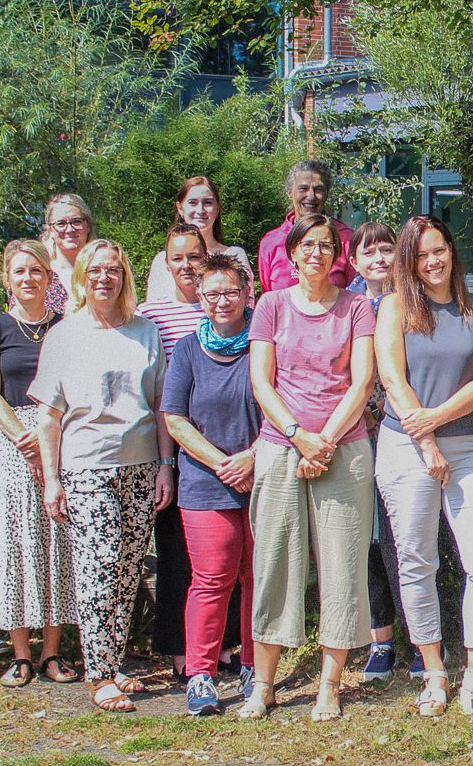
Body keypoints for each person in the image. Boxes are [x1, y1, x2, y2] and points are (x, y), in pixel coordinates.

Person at [375, 216, 473, 718]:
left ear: (452, 251)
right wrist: (426, 439)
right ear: (409, 262)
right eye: (421, 255)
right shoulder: (394, 307)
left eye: (439, 250)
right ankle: (434, 672)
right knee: (418, 561)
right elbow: (392, 379)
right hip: (406, 446)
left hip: (467, 446)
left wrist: (435, 421)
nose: (433, 261)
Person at [243, 214, 377, 720]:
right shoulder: (271, 305)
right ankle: (264, 685)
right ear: (293, 253)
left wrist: (324, 443)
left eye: (326, 245)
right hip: (282, 447)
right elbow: (262, 381)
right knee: (274, 562)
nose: (317, 253)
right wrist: (299, 437)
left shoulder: (356, 307)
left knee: (342, 565)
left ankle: (329, 686)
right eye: (308, 245)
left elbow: (362, 382)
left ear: (337, 256)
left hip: (344, 449)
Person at [33, 239, 173, 714]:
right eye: (95, 270)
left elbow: (160, 406)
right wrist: (52, 479)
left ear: (124, 277)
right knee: (100, 565)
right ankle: (98, 675)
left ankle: (113, 664)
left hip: (141, 465)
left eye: (113, 270)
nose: (104, 278)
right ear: (82, 278)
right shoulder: (64, 336)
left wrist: (166, 466)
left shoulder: (145, 332)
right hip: (87, 466)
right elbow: (49, 416)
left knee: (129, 569)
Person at [0, 240, 78, 687]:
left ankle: (52, 652)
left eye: (36, 271)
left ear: (49, 278)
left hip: (59, 435)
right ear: (7, 279)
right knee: (17, 542)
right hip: (11, 441)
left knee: (56, 540)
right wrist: (23, 436)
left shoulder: (65, 327)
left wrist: (46, 436)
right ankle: (20, 655)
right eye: (19, 271)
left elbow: (74, 385)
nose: (28, 278)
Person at [161, 255, 263, 717]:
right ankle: (201, 674)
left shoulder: (264, 342)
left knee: (258, 577)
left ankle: (254, 666)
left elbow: (284, 403)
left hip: (262, 475)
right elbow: (175, 419)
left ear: (247, 293)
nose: (223, 301)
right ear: (200, 299)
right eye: (213, 293)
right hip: (206, 482)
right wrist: (222, 463)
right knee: (212, 578)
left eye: (231, 292)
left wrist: (252, 456)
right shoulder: (187, 350)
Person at [136, 224, 211, 679]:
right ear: (166, 265)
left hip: (224, 445)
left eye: (194, 257)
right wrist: (166, 462)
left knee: (221, 555)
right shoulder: (150, 317)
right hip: (172, 448)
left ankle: (222, 644)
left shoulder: (224, 305)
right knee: (176, 553)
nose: (186, 266)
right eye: (177, 259)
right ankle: (178, 645)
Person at [347, 220, 408, 681]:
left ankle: (425, 636)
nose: (379, 259)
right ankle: (380, 639)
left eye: (386, 249)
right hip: (354, 434)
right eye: (368, 252)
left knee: (403, 536)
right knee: (367, 540)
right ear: (354, 261)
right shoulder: (346, 306)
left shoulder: (412, 300)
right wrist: (360, 412)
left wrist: (388, 406)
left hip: (403, 430)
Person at [145, 176, 253, 300]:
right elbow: (153, 306)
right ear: (180, 208)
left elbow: (247, 304)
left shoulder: (234, 255)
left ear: (217, 208)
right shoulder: (161, 261)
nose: (200, 210)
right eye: (193, 203)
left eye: (207, 203)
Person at [258, 160, 356, 293]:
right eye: (303, 189)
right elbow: (268, 297)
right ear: (289, 192)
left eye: (318, 189)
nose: (311, 196)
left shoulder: (345, 238)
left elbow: (355, 292)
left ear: (327, 194)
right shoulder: (271, 242)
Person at [41, 192, 132, 313]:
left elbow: (125, 307)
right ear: (50, 230)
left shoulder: (107, 271)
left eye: (76, 221)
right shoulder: (40, 273)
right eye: (60, 223)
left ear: (88, 225)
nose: (70, 229)